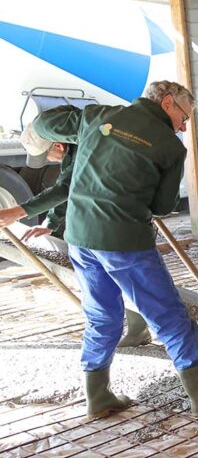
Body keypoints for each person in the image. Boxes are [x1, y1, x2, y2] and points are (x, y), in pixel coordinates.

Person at [17, 81, 198, 419]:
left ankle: (98, 397)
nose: (184, 126)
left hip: (80, 238)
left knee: (102, 316)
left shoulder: (97, 116)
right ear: (168, 103)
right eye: (184, 117)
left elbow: (47, 123)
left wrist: (44, 139)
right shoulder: (171, 146)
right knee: (169, 317)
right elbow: (164, 205)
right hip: (124, 243)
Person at [0, 121, 151, 347]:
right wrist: (51, 223)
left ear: (59, 146)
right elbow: (70, 190)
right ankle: (132, 331)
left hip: (123, 219)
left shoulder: (86, 151)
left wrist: (18, 211)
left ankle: (139, 331)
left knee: (126, 277)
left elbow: (64, 188)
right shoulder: (72, 153)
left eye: (48, 157)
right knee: (116, 277)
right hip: (106, 221)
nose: (49, 162)